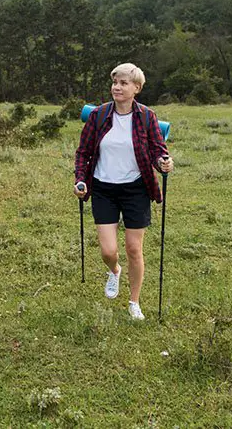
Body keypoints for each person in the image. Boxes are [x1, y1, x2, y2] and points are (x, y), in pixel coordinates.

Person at [74, 63, 174, 320]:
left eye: (123, 83)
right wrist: (80, 180)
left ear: (136, 89)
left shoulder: (146, 116)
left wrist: (164, 161)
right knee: (108, 251)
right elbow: (83, 152)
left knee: (133, 248)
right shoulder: (98, 115)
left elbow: (157, 149)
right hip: (104, 188)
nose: (117, 87)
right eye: (115, 82)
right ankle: (114, 270)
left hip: (136, 189)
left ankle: (134, 302)